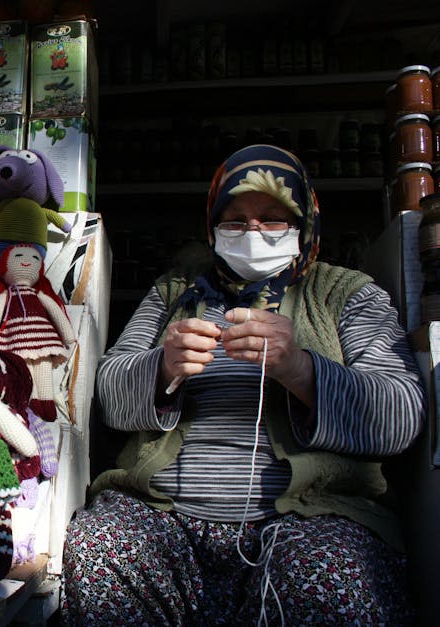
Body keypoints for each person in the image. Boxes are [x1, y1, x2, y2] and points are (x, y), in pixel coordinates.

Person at [62, 144, 425, 625]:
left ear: (306, 221)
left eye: (274, 219)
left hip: (310, 522)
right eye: (235, 220)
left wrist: (300, 369)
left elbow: (400, 417)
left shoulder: (346, 293)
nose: (253, 232)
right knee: (99, 544)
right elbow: (108, 394)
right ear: (213, 227)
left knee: (324, 574)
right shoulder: (174, 293)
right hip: (165, 520)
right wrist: (162, 368)